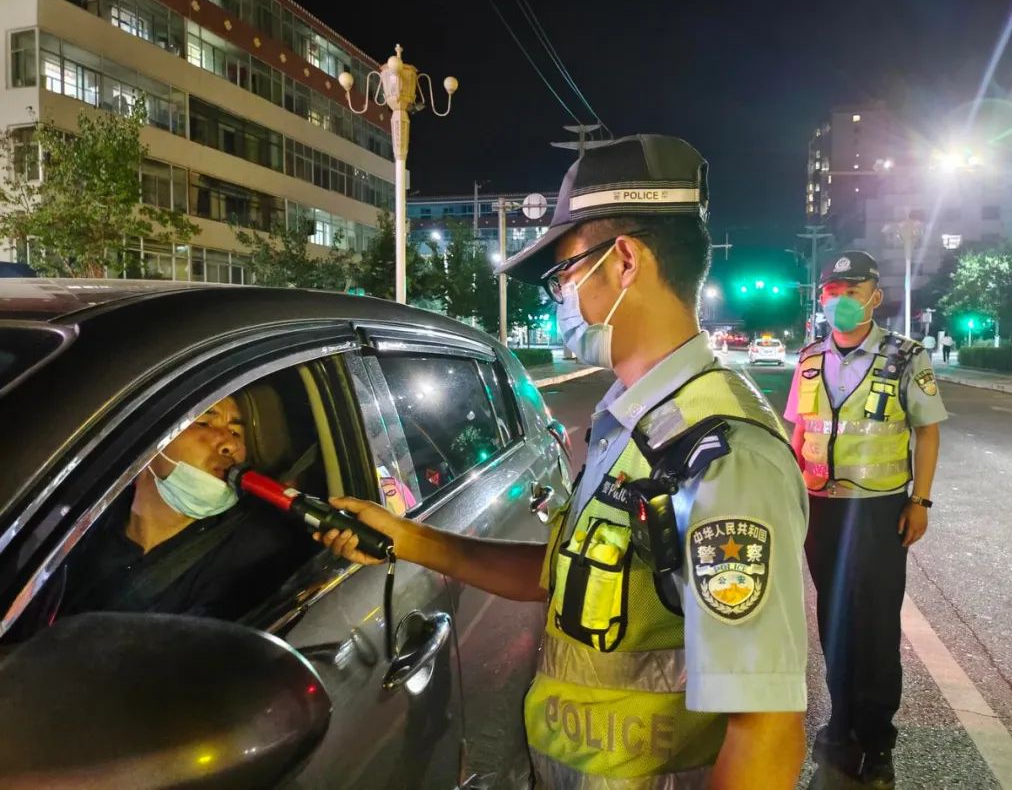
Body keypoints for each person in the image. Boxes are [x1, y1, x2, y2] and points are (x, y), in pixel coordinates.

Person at [318, 135, 809, 788]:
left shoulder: (720, 456)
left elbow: (767, 729)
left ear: (625, 260)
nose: (557, 301)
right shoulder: (631, 422)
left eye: (564, 274)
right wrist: (409, 538)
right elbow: (564, 579)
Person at [785, 252, 946, 789]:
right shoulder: (809, 359)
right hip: (821, 510)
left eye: (855, 289)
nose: (842, 299)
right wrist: (791, 496)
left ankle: (876, 741)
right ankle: (841, 723)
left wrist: (918, 501)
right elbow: (797, 433)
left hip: (877, 510)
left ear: (876, 296)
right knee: (833, 620)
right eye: (834, 289)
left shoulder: (906, 357)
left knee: (875, 625)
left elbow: (927, 431)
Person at [62, 394, 312, 619]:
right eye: (204, 422)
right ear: (149, 442)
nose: (230, 445)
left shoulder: (257, 551)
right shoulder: (83, 527)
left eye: (236, 433)